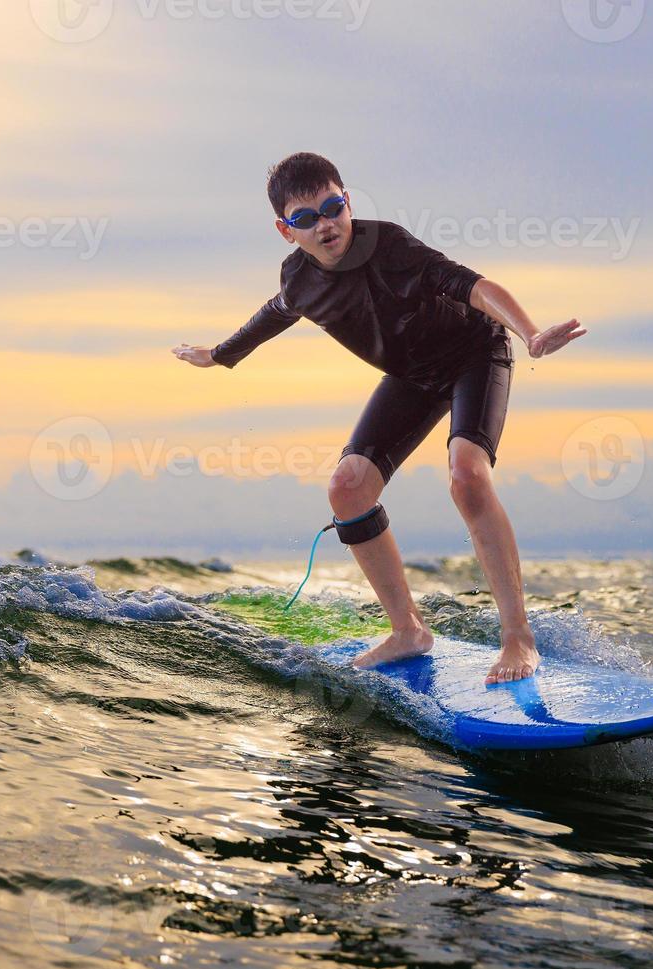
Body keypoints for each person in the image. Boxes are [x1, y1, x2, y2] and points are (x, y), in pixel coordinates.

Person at [173, 152, 586, 684]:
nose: (325, 224)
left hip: (474, 355)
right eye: (306, 218)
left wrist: (529, 333)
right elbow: (273, 314)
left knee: (467, 476)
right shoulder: (299, 279)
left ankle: (517, 639)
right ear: (285, 230)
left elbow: (475, 287)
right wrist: (220, 355)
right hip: (412, 377)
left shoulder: (389, 246)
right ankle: (408, 630)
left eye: (333, 207)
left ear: (347, 200)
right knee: (347, 488)